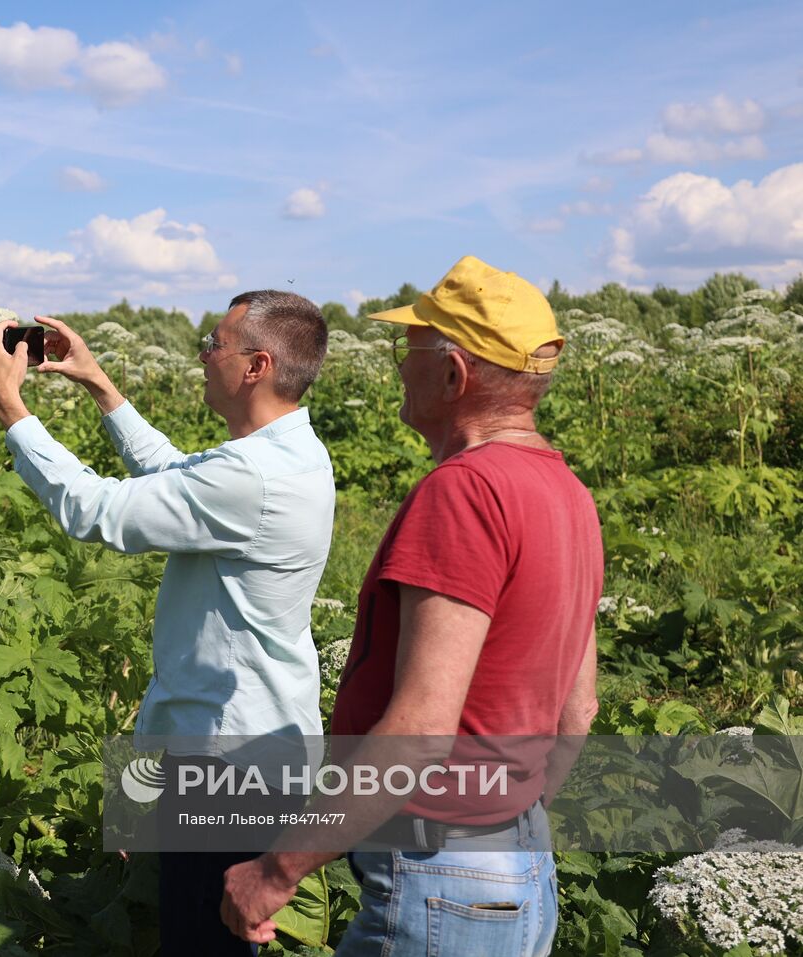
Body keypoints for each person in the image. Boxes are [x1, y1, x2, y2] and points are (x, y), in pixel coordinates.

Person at [220, 256, 603, 957]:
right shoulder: (569, 495)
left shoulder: (464, 492)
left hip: (439, 876)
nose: (400, 365)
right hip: (522, 864)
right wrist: (505, 824)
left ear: (454, 375)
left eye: (413, 348)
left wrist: (277, 871)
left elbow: (423, 725)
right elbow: (578, 711)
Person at [0, 291, 335, 955]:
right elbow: (181, 476)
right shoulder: (287, 455)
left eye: (214, 342)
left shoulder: (254, 475)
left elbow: (94, 511)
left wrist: (13, 412)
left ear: (257, 365)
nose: (202, 353)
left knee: (203, 945)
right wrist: (101, 387)